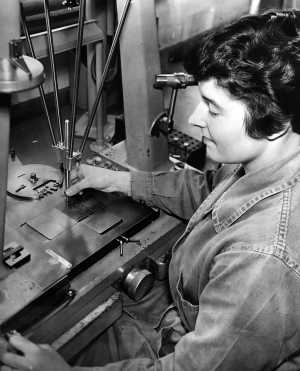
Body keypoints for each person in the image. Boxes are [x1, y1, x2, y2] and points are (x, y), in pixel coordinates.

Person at [2, 8, 300, 371]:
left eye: (213, 109)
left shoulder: (264, 259)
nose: (193, 118)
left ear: (274, 123)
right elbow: (207, 190)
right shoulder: (270, 161)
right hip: (174, 314)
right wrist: (116, 179)